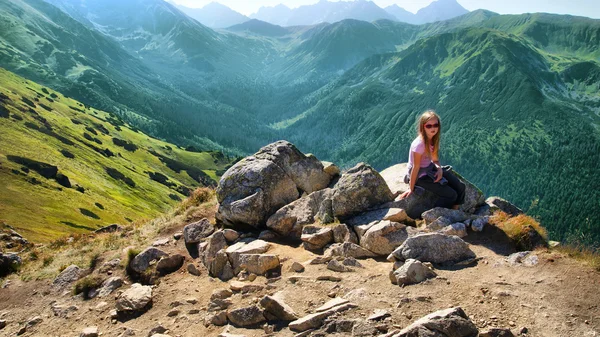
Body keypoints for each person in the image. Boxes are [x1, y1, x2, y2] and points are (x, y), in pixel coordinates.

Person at [398, 110, 465, 210]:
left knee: (461, 187)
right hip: (420, 177)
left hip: (430, 169)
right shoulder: (419, 145)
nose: (433, 128)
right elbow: (415, 168)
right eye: (429, 126)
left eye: (435, 125)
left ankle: (455, 211)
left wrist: (439, 169)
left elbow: (435, 159)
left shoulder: (432, 140)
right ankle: (433, 216)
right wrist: (411, 189)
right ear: (423, 127)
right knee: (451, 195)